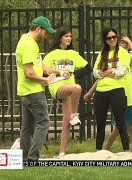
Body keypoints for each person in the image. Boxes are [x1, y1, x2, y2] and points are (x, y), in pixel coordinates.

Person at [84, 35, 132, 150]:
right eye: (122, 42)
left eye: (125, 43)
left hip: (130, 97)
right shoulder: (112, 59)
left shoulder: (128, 58)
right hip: (117, 96)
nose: (123, 44)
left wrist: (129, 41)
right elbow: (101, 79)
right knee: (118, 127)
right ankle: (106, 149)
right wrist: (90, 92)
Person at [43, 26, 92, 158]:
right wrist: (55, 73)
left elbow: (88, 68)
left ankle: (62, 153)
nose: (69, 38)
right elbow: (43, 69)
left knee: (66, 122)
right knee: (77, 88)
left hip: (70, 89)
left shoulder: (73, 54)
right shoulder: (51, 54)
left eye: (70, 36)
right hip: (57, 87)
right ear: (60, 38)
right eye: (66, 36)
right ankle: (75, 114)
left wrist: (73, 73)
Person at [16, 16, 57, 161]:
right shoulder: (28, 45)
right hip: (33, 91)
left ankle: (24, 158)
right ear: (38, 29)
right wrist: (45, 80)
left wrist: (56, 72)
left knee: (27, 127)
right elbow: (29, 72)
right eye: (46, 33)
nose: (46, 37)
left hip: (25, 91)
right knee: (43, 122)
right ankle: (33, 158)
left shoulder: (27, 41)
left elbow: (39, 66)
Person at [92, 27, 131, 151]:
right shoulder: (101, 54)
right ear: (105, 40)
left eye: (114, 37)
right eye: (109, 38)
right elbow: (95, 72)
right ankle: (98, 150)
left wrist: (104, 73)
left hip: (117, 90)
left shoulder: (123, 53)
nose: (112, 39)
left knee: (120, 123)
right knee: (100, 124)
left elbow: (121, 72)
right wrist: (110, 70)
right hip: (101, 92)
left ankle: (126, 150)